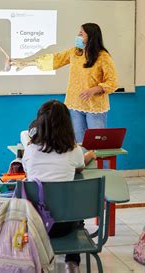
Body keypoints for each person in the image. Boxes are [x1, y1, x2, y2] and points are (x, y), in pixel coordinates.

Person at [22, 100, 95, 273]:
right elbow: (79, 166)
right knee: (76, 213)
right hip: (65, 227)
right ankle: (72, 261)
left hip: (36, 226)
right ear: (67, 125)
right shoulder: (74, 150)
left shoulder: (30, 151)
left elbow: (28, 174)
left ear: (39, 123)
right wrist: (89, 156)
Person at [15, 23, 118, 143]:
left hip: (95, 107)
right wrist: (26, 63)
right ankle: (82, 162)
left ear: (91, 37)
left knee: (97, 144)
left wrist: (94, 89)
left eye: (81, 33)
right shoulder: (75, 53)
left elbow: (112, 82)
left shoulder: (103, 57)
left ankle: (99, 163)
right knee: (79, 144)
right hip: (75, 104)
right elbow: (54, 60)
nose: (78, 36)